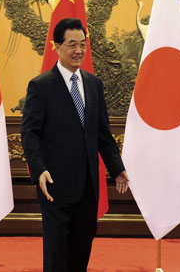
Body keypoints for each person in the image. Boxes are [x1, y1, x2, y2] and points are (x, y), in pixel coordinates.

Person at [21, 17, 129, 272]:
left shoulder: (93, 84)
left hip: (88, 186)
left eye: (83, 44)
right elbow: (30, 132)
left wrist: (117, 168)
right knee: (57, 255)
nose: (78, 50)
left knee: (81, 252)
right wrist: (38, 170)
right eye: (71, 44)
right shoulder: (41, 86)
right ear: (56, 47)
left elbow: (102, 133)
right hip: (55, 185)